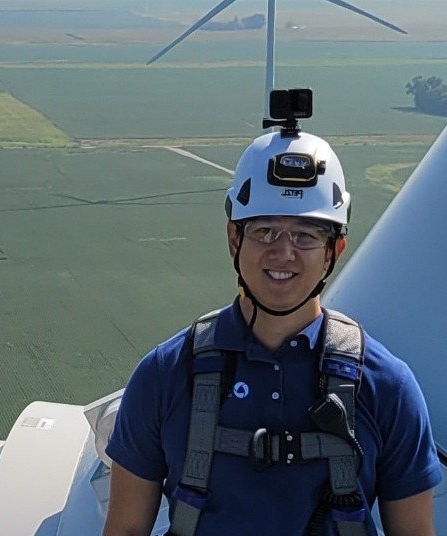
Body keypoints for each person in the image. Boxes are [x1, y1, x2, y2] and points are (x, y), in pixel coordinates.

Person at [103, 116, 442, 535]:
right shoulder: (165, 376)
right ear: (234, 239)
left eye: (306, 235)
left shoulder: (386, 387)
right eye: (265, 231)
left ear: (334, 249)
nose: (283, 253)